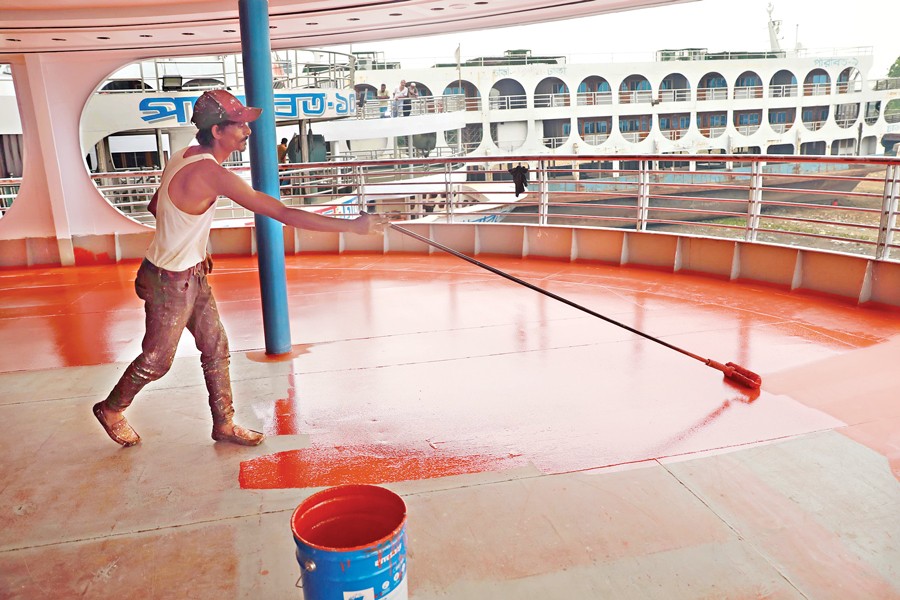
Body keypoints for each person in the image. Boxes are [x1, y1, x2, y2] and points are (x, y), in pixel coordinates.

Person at [92, 89, 387, 448]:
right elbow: (281, 213)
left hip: (189, 272)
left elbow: (158, 205)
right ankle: (111, 409)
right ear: (217, 131)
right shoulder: (213, 174)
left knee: (216, 346)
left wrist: (194, 244)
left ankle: (224, 425)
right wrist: (353, 227)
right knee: (157, 361)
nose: (248, 131)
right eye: (239, 125)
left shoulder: (184, 156)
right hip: (170, 280)